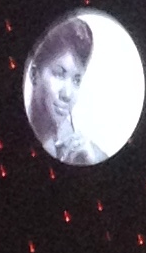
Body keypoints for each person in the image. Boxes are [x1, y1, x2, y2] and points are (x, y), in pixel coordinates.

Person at [25, 15, 105, 164]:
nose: (67, 94)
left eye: (76, 80)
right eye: (59, 74)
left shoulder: (93, 156)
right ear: (34, 74)